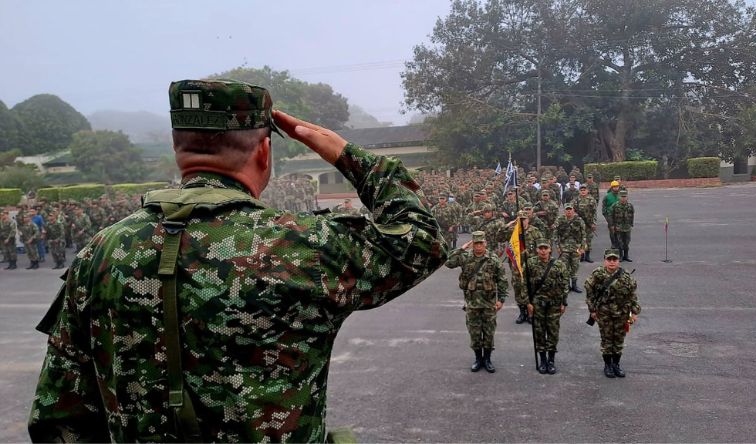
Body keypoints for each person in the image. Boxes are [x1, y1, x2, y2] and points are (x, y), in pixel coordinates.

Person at [28, 79, 448, 442]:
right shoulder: (303, 246)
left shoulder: (99, 252)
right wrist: (346, 154)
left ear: (178, 150)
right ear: (264, 152)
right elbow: (421, 241)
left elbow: (59, 414)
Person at [446, 231, 508, 373]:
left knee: (489, 333)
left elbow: (502, 279)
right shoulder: (465, 257)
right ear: (472, 244)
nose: (478, 246)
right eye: (476, 243)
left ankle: (487, 359)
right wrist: (461, 248)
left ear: (485, 243)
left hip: (489, 304)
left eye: (481, 243)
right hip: (472, 304)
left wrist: (501, 299)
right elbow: (448, 262)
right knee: (474, 333)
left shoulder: (492, 258)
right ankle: (478, 359)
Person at [584, 249, 640, 378]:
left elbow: (633, 295)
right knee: (607, 340)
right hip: (604, 314)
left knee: (619, 340)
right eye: (609, 259)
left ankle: (616, 364)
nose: (612, 262)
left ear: (618, 261)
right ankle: (608, 365)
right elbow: (589, 293)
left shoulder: (626, 276)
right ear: (605, 260)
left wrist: (635, 312)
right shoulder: (597, 274)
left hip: (622, 314)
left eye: (614, 260)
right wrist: (592, 310)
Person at [524, 239, 568, 374]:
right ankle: (542, 360)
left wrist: (564, 302)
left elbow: (565, 285)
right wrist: (527, 303)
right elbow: (524, 284)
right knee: (539, 332)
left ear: (550, 250)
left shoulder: (559, 265)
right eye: (540, 248)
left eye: (545, 248)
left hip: (554, 305)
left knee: (553, 333)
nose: (543, 251)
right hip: (537, 305)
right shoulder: (530, 263)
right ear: (537, 250)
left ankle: (551, 360)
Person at [554, 203, 586, 293]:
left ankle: (574, 285)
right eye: (567, 209)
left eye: (570, 209)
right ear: (564, 211)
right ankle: (566, 285)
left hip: (576, 248)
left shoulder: (579, 220)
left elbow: (584, 234)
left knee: (575, 267)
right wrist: (557, 247)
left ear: (573, 210)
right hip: (564, 248)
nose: (569, 211)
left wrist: (583, 247)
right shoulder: (560, 220)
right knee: (565, 268)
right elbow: (555, 234)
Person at [574, 184, 598, 263]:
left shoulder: (591, 200)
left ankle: (587, 256)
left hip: (589, 223)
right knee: (579, 239)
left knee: (588, 240)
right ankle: (581, 256)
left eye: (584, 190)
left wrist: (594, 223)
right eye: (581, 190)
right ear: (579, 191)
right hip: (579, 223)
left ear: (587, 191)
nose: (583, 191)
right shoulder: (576, 200)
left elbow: (594, 212)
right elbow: (572, 211)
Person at [610, 189, 634, 262]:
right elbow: (611, 216)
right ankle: (620, 256)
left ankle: (626, 256)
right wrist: (612, 226)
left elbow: (632, 215)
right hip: (618, 227)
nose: (623, 198)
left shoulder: (630, 206)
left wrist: (631, 224)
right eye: (622, 197)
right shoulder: (615, 205)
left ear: (627, 197)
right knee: (619, 242)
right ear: (619, 197)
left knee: (627, 242)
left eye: (625, 197)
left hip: (627, 227)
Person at [602, 180, 621, 248]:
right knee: (612, 231)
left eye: (617, 187)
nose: (616, 188)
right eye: (614, 187)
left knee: (619, 231)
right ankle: (613, 243)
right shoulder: (607, 196)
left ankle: (618, 243)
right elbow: (604, 208)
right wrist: (607, 217)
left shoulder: (621, 195)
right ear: (612, 187)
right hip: (610, 217)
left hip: (619, 217)